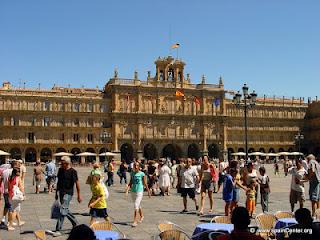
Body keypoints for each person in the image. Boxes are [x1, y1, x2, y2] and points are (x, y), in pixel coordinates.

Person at [54, 156, 82, 237]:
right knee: (64, 209)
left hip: (68, 193)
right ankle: (75, 223)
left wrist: (79, 195)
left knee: (62, 210)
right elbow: (59, 182)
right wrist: (56, 193)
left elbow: (77, 183)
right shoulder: (60, 170)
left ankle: (58, 229)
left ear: (67, 163)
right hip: (61, 193)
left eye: (62, 164)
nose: (61, 165)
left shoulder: (73, 171)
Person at [125, 162, 151, 227]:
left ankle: (135, 221)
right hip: (133, 191)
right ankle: (142, 216)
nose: (136, 166)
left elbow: (145, 183)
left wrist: (148, 191)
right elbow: (130, 182)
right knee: (138, 204)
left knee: (136, 205)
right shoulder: (132, 173)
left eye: (137, 165)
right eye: (134, 165)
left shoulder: (142, 174)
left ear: (139, 167)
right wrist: (127, 190)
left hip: (139, 191)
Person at [1, 160, 21, 225]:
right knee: (11, 208)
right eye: (18, 165)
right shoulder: (13, 172)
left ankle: (3, 219)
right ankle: (10, 223)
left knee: (6, 205)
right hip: (11, 192)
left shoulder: (4, 171)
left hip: (5, 191)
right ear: (15, 165)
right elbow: (13, 183)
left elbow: (1, 180)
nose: (19, 166)